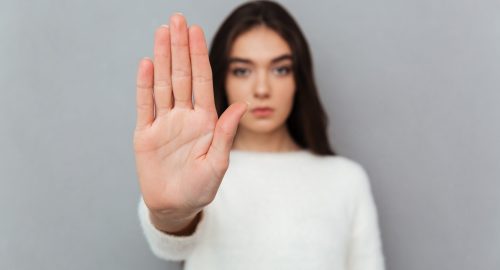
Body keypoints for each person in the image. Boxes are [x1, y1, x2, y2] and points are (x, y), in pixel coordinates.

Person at [133, 1, 385, 269]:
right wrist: (171, 214)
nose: (262, 89)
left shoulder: (345, 180)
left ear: (298, 79)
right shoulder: (195, 169)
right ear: (223, 79)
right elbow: (168, 245)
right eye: (242, 70)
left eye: (280, 69)